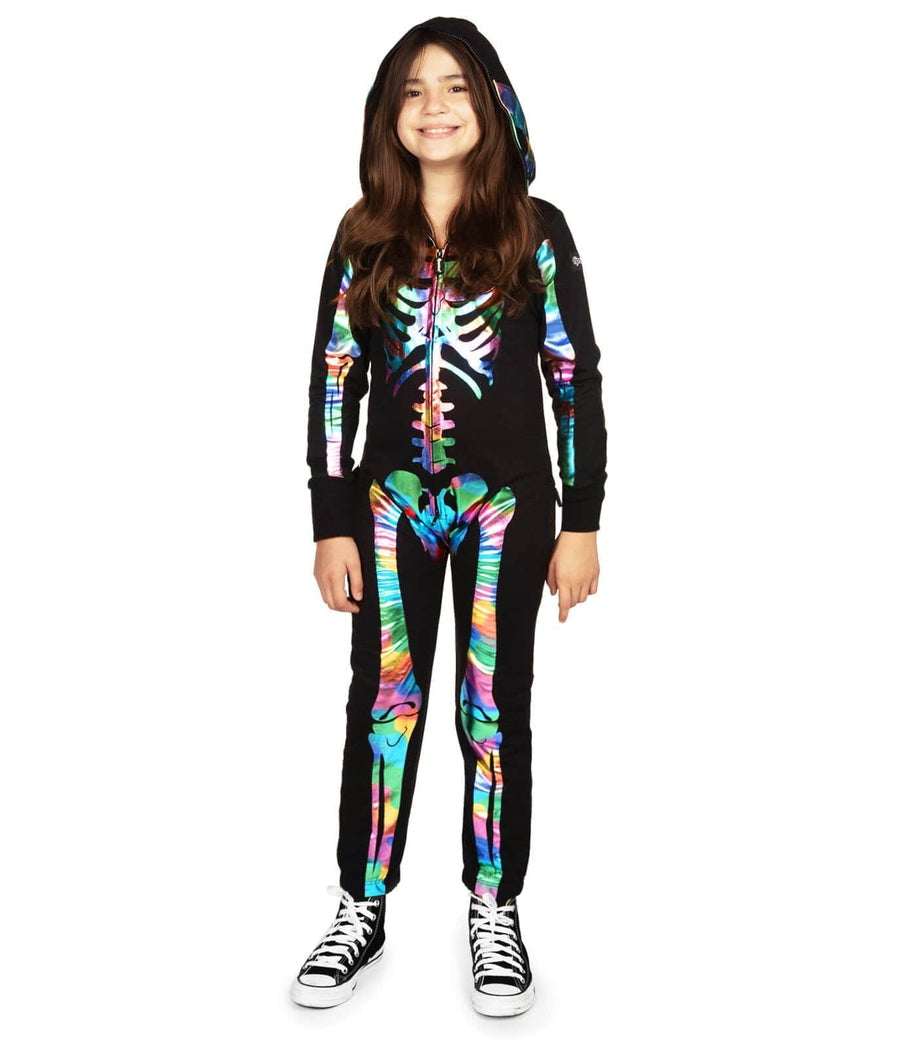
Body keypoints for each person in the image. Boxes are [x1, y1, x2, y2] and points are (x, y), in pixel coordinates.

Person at [290, 16, 608, 1017]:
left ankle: (493, 906)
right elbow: (333, 381)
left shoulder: (536, 231)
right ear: (388, 114)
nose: (435, 108)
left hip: (506, 508)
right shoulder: (363, 236)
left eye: (456, 87)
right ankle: (362, 903)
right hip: (389, 506)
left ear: (495, 105)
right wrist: (330, 519)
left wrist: (583, 520)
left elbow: (573, 377)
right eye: (414, 91)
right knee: (384, 702)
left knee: (491, 703)